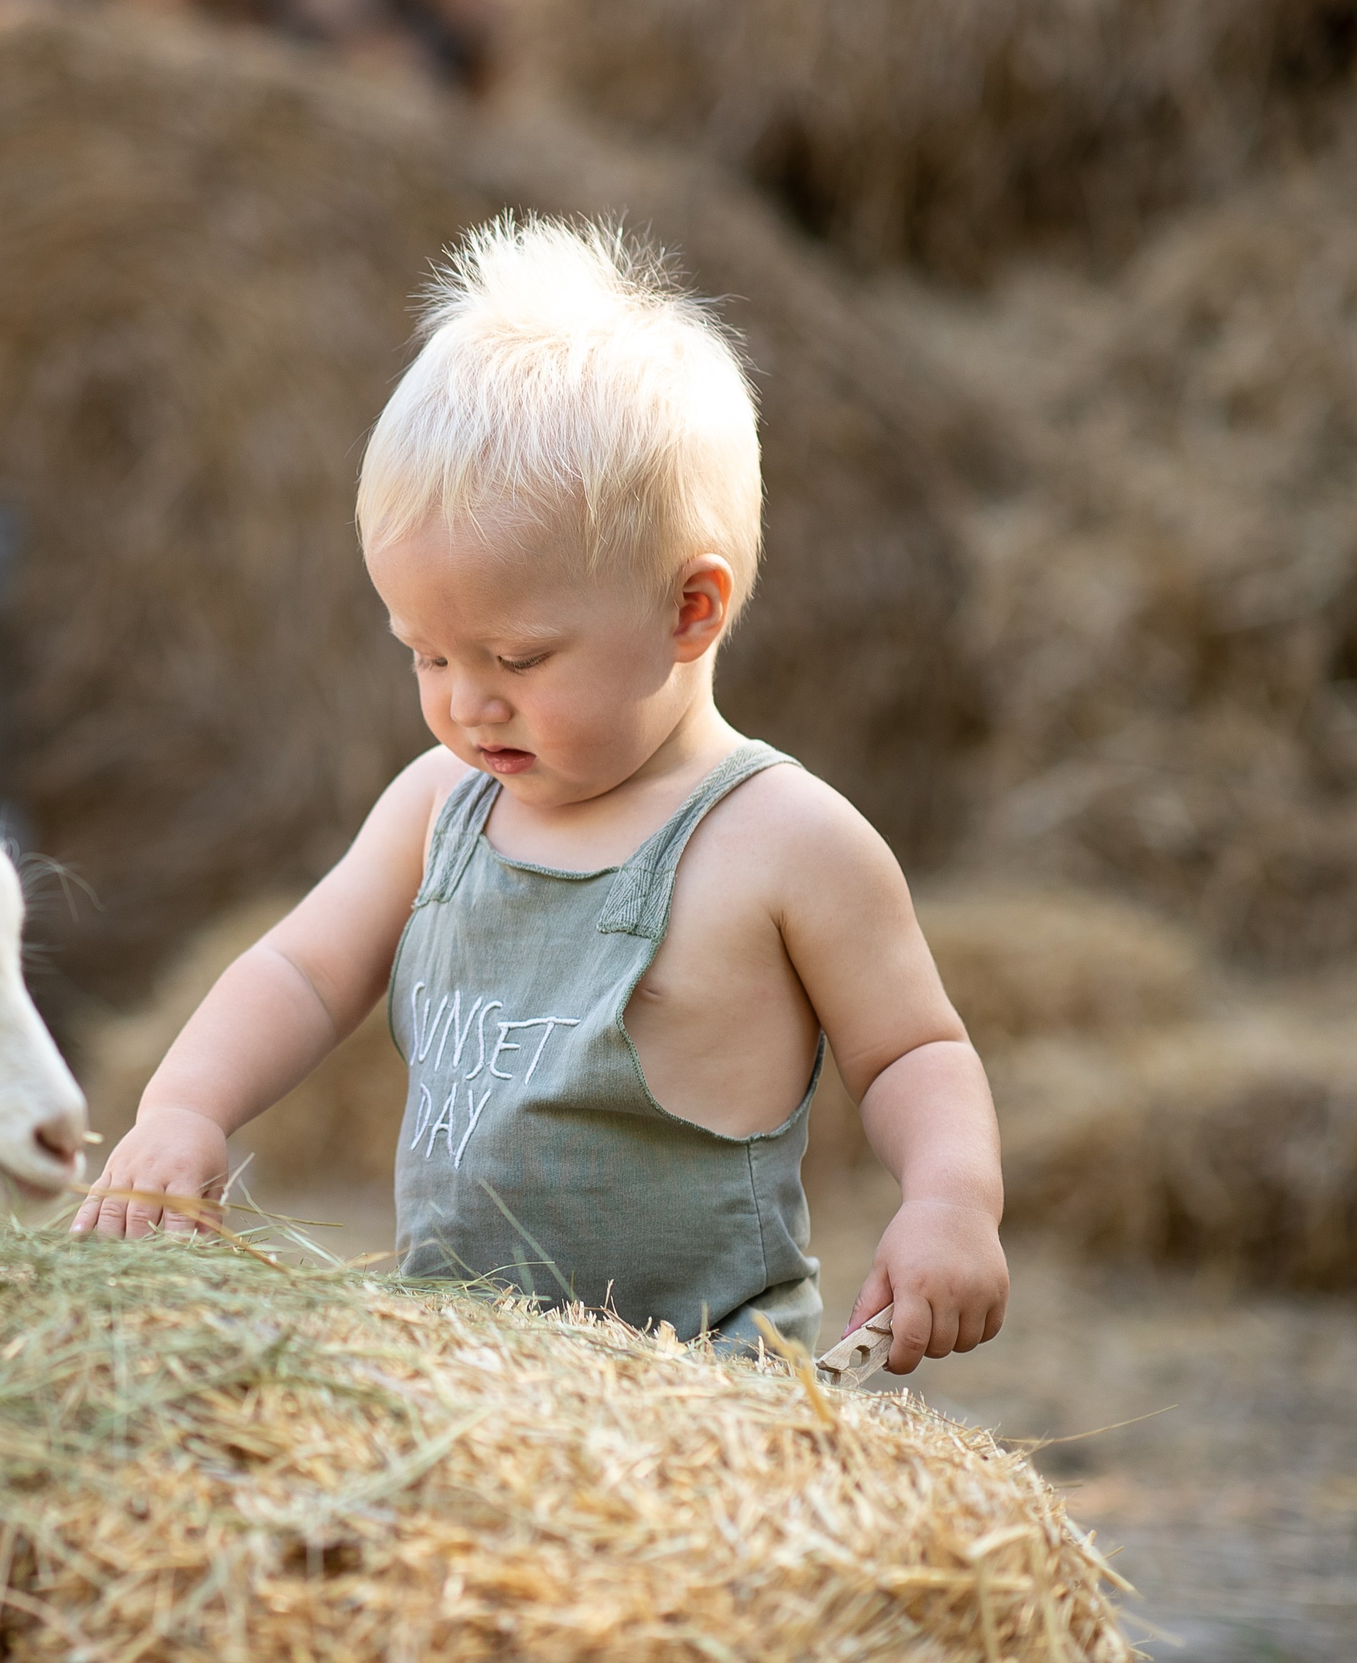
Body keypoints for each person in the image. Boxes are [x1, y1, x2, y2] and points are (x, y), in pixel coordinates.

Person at [70, 216, 1007, 1375]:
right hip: (462, 1381)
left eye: (514, 659)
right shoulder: (437, 808)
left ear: (688, 610)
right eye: (425, 653)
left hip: (703, 1398)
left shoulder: (783, 839)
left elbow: (912, 1048)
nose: (468, 704)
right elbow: (299, 971)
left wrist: (950, 1202)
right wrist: (184, 1108)